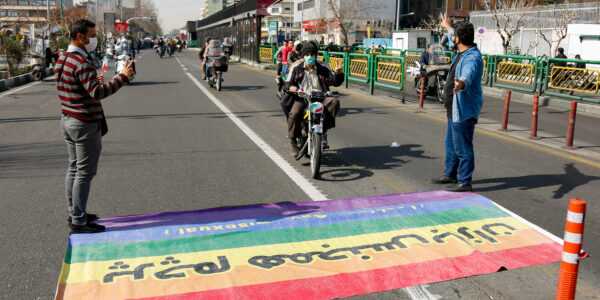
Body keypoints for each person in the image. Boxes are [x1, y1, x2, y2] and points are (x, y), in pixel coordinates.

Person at [55, 19, 135, 234]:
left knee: (74, 168)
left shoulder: (63, 58)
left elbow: (74, 87)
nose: (94, 40)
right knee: (84, 172)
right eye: (91, 35)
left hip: (68, 119)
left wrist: (93, 81)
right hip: (83, 124)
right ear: (80, 37)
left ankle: (75, 213)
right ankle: (79, 221)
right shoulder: (81, 62)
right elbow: (97, 93)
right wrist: (122, 78)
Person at [431, 14, 484, 192]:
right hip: (453, 109)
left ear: (459, 39)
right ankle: (450, 174)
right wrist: (448, 26)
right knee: (451, 145)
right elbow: (455, 33)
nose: (452, 38)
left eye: (454, 36)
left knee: (463, 147)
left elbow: (468, 73)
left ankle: (465, 181)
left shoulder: (472, 58)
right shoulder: (463, 50)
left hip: (463, 110)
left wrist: (461, 82)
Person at [285, 41, 344, 157]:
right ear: (303, 56)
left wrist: (338, 73)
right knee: (294, 113)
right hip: (303, 97)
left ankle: (324, 130)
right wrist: (291, 87)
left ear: (316, 55)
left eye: (312, 55)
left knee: (334, 102)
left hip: (321, 97)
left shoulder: (322, 66)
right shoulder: (296, 67)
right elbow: (287, 83)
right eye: (307, 55)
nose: (309, 57)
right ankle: (293, 142)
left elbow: (334, 81)